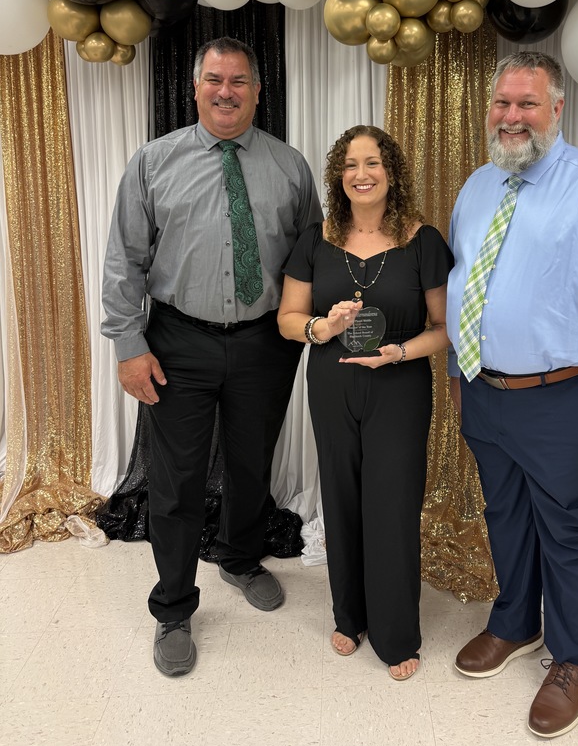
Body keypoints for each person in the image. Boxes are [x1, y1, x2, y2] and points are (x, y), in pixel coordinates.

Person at [447, 52, 578, 737]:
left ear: (557, 109)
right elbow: (463, 285)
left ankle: (572, 659)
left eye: (527, 103)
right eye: (502, 103)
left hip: (565, 399)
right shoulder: (478, 186)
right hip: (485, 392)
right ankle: (515, 622)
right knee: (505, 515)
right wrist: (459, 371)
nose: (511, 117)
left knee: (569, 531)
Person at [102, 35, 323, 677]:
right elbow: (125, 259)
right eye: (215, 80)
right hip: (177, 340)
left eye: (239, 81)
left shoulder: (290, 167)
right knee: (177, 480)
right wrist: (128, 346)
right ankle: (173, 606)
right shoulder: (153, 162)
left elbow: (311, 257)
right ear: (195, 87)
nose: (226, 92)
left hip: (264, 343)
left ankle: (239, 556)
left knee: (252, 462)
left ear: (257, 90)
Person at [277, 125, 452, 681]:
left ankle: (396, 632)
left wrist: (397, 352)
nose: (361, 174)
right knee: (341, 496)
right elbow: (287, 319)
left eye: (372, 162)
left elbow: (445, 328)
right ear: (338, 176)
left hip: (398, 384)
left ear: (391, 172)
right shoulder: (317, 239)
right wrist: (322, 328)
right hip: (331, 381)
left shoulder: (422, 240)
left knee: (392, 505)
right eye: (350, 165)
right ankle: (348, 617)